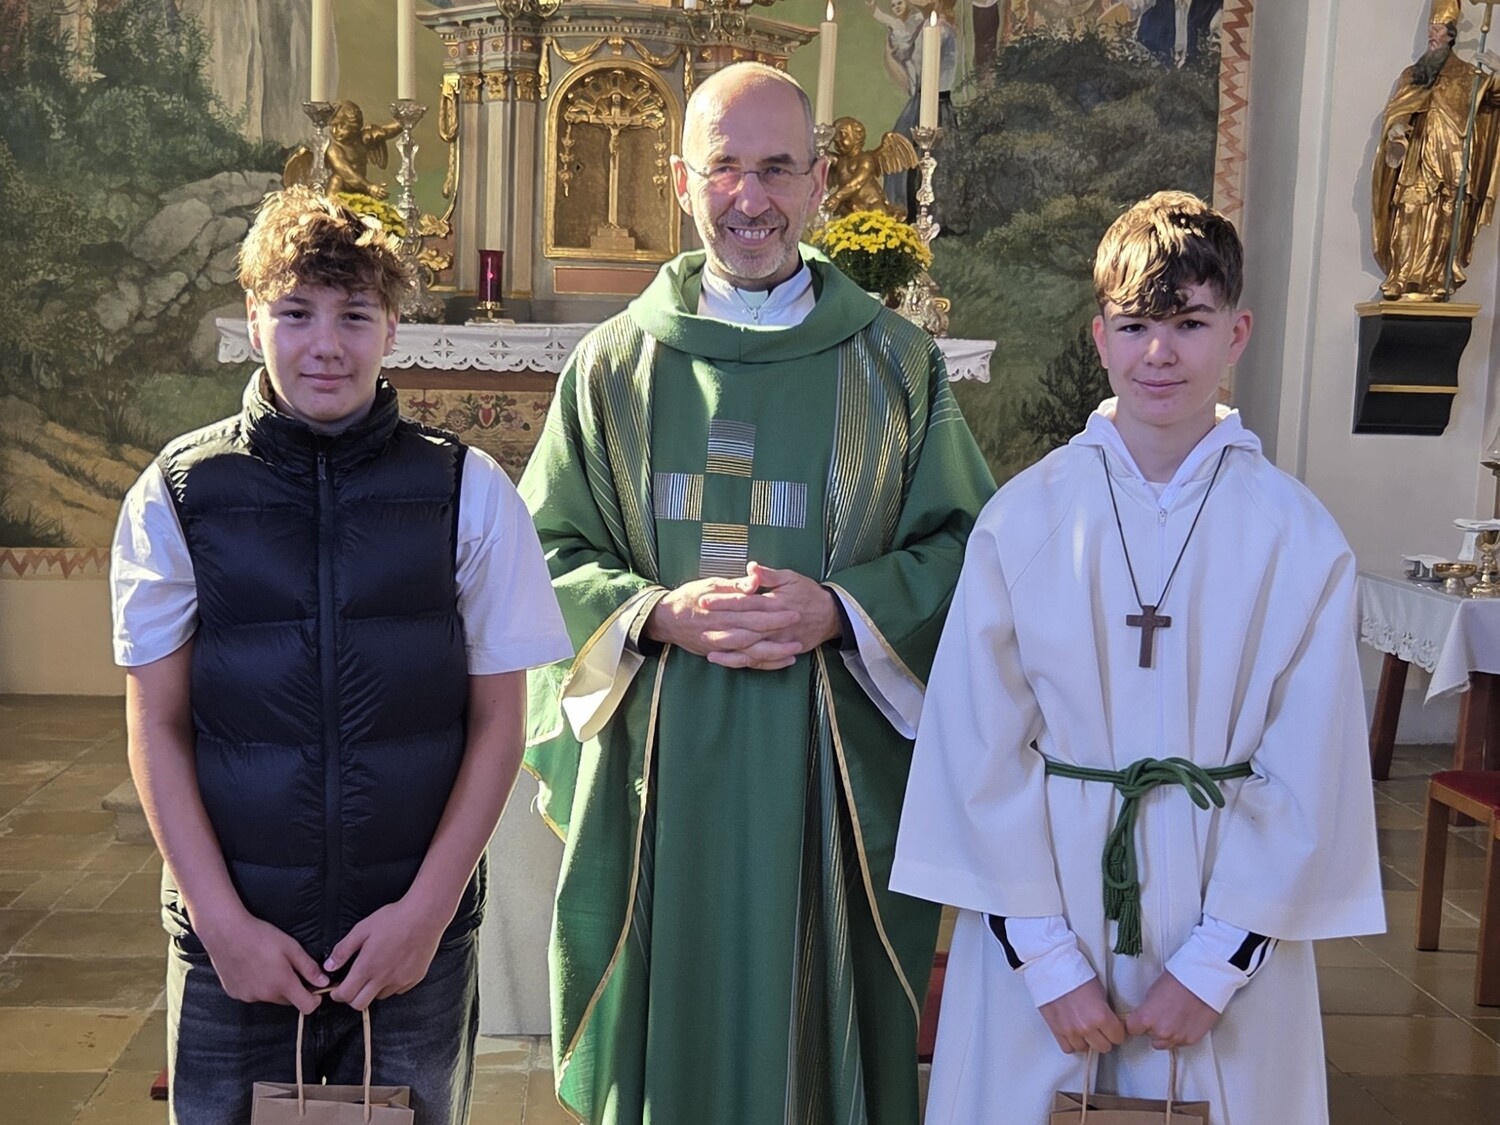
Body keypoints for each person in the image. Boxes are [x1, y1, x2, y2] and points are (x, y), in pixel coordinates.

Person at [521, 62, 994, 1125]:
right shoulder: (611, 367)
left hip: (831, 759)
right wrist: (655, 612)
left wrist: (842, 608)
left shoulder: (896, 365)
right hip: (660, 762)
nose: (750, 197)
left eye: (778, 168)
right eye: (725, 167)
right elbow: (542, 552)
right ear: (680, 179)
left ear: (820, 181)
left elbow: (970, 546)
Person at [891, 191, 1384, 1123]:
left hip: (1228, 913)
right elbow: (975, 752)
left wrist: (1213, 966)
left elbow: (1310, 767)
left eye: (1189, 323)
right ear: (1100, 338)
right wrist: (1046, 961)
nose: (1160, 352)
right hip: (1051, 909)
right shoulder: (1025, 520)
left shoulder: (1296, 536)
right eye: (1135, 325)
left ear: (1237, 333)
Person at [110, 186, 571, 1125]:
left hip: (407, 938)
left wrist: (425, 916)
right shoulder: (178, 494)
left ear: (392, 327)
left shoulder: (467, 492)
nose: (326, 343)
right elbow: (156, 724)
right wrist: (223, 925)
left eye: (355, 315)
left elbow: (500, 723)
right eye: (296, 312)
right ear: (253, 318)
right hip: (234, 934)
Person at [1373, 1, 1500, 301]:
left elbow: (1494, 99)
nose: (1432, 35)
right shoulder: (1414, 75)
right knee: (1410, 210)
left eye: (1438, 30)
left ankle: (1438, 277)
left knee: (1446, 215)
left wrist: (1498, 73)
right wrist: (1396, 128)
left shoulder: (1470, 76)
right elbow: (1398, 110)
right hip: (1419, 157)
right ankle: (1401, 275)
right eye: (1431, 29)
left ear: (1451, 35)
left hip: (1453, 159)